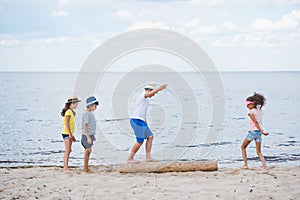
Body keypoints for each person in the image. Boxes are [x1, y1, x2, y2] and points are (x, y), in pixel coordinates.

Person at [127, 83, 168, 163]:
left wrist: (146, 125)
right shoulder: (143, 95)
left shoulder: (146, 100)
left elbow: (142, 113)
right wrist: (160, 88)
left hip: (141, 120)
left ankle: (148, 158)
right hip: (136, 120)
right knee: (140, 141)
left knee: (150, 136)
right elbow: (148, 94)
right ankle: (130, 159)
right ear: (149, 90)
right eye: (154, 93)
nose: (154, 95)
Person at [241, 93, 269, 170]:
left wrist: (262, 131)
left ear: (252, 104)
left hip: (253, 132)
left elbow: (255, 122)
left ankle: (245, 165)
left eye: (248, 104)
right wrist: (262, 131)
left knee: (243, 147)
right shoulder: (259, 110)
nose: (247, 106)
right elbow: (261, 105)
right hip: (258, 133)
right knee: (259, 152)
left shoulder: (251, 112)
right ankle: (265, 166)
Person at [61, 96, 81, 170]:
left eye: (77, 104)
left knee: (69, 150)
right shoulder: (68, 112)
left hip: (68, 132)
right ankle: (65, 167)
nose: (76, 106)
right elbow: (67, 123)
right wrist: (70, 134)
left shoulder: (71, 112)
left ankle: (66, 166)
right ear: (71, 104)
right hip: (66, 133)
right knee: (68, 150)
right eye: (75, 104)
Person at [81, 96, 99, 172]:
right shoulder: (87, 114)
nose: (96, 108)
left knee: (89, 151)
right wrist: (88, 137)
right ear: (90, 105)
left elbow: (91, 126)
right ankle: (85, 168)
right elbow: (85, 125)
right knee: (87, 152)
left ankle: (86, 167)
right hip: (86, 136)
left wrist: (93, 135)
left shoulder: (90, 114)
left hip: (90, 135)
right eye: (95, 106)